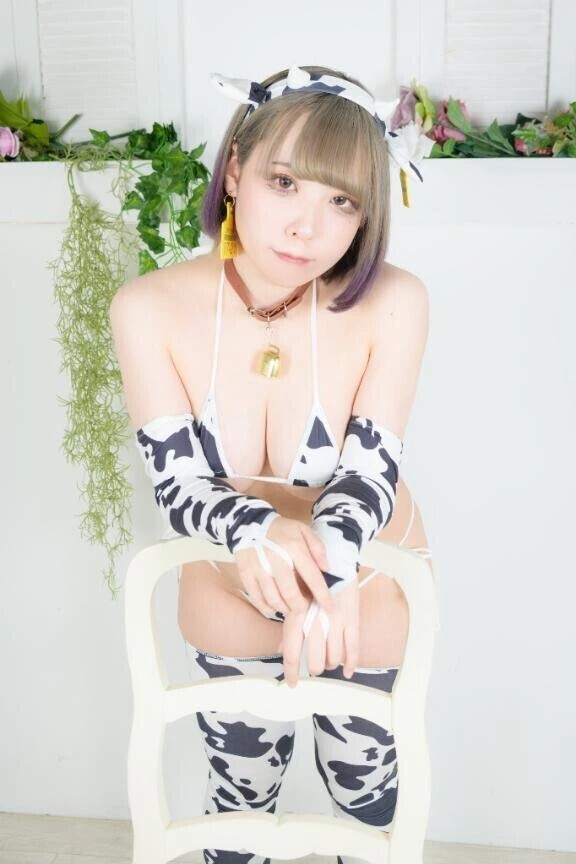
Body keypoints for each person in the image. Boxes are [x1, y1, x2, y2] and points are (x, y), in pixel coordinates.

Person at [110, 64, 433, 864]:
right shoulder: (147, 308)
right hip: (231, 579)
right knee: (240, 799)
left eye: (342, 201)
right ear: (235, 170)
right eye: (284, 182)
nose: (306, 228)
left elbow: (369, 471)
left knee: (365, 794)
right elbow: (177, 481)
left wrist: (332, 568)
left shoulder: (395, 301)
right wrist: (255, 529)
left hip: (366, 579)